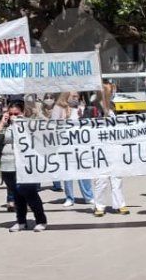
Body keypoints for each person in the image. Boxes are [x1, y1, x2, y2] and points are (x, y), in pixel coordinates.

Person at [0, 100, 47, 232]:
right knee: (16, 194)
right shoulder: (5, 126)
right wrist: (2, 123)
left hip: (24, 165)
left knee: (29, 192)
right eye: (11, 114)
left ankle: (41, 220)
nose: (13, 116)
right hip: (7, 165)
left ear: (23, 112)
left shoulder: (28, 124)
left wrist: (23, 122)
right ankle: (21, 221)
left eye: (17, 113)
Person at [88, 85, 129, 217]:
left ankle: (120, 204)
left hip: (113, 147)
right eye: (110, 91)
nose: (112, 93)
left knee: (117, 177)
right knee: (102, 179)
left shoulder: (112, 106)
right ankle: (99, 206)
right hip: (99, 148)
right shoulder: (93, 107)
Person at [52, 91, 95, 207]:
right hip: (65, 144)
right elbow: (53, 125)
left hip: (80, 144)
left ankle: (88, 196)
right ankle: (69, 198)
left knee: (84, 171)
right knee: (67, 172)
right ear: (66, 96)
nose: (76, 98)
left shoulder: (81, 107)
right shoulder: (59, 107)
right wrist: (64, 117)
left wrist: (83, 116)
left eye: (77, 96)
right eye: (74, 96)